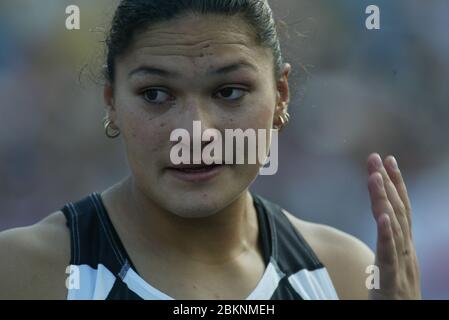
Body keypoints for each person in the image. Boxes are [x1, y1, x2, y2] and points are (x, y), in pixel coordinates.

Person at [0, 0, 420, 300]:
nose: (194, 132)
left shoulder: (343, 273)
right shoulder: (26, 271)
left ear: (281, 96)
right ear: (111, 101)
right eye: (156, 93)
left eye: (229, 91)